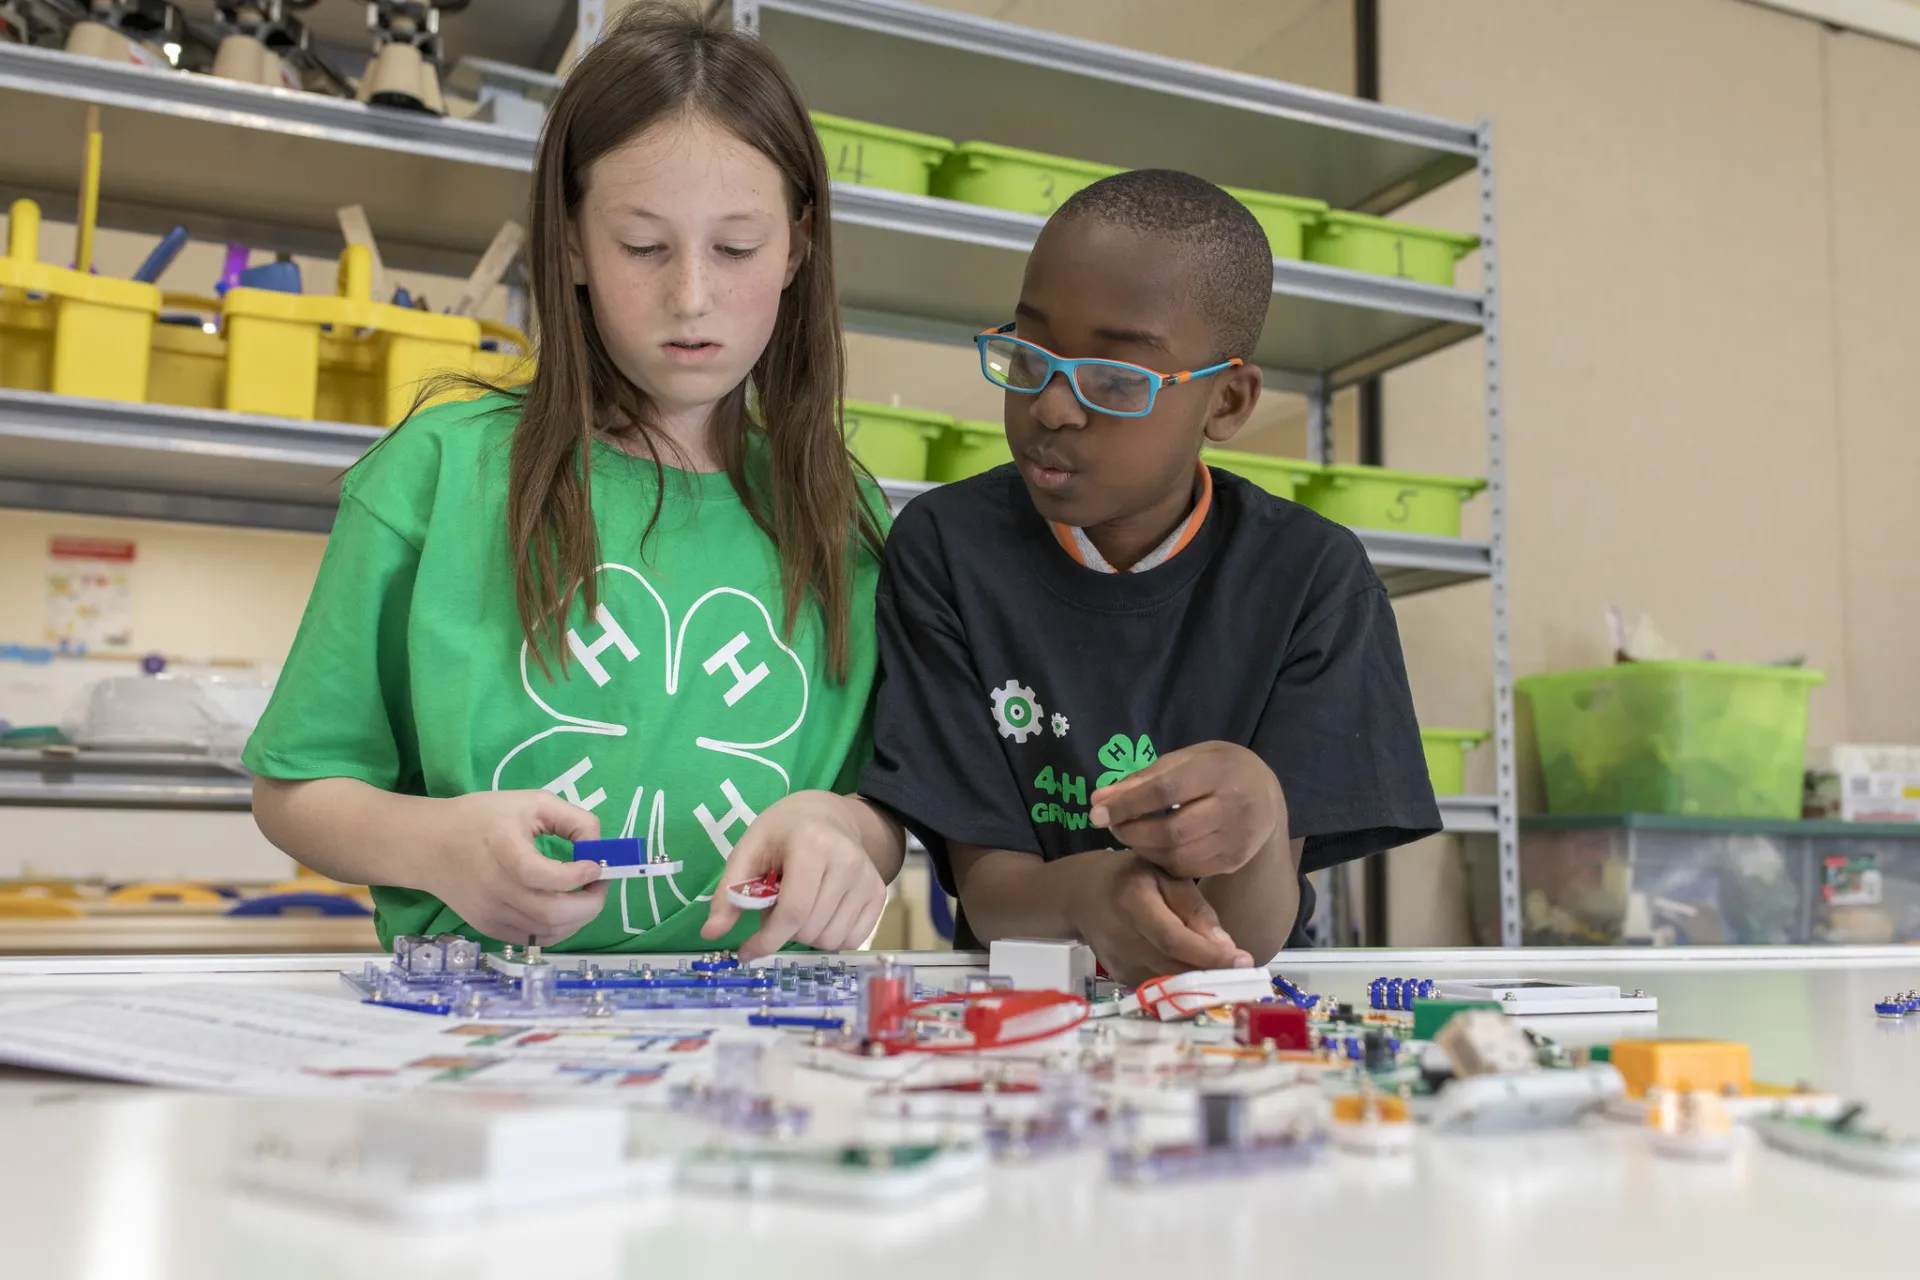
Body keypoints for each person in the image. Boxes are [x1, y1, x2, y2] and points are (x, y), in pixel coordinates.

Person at [244, 5, 903, 960]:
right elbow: (296, 786)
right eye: (642, 246)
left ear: (798, 247)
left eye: (737, 247)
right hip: (484, 1028)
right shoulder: (442, 473)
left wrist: (853, 835)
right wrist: (437, 847)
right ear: (571, 244)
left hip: (757, 1043)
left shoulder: (845, 514)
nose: (691, 296)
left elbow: (889, 802)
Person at [859, 169, 1441, 985]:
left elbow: (1248, 937)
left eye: (1117, 380)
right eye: (1029, 357)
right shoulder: (949, 550)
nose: (1055, 407)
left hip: (1229, 1001)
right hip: (1019, 998)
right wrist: (1091, 891)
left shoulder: (1311, 579)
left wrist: (1264, 820)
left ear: (1227, 403)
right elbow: (990, 895)